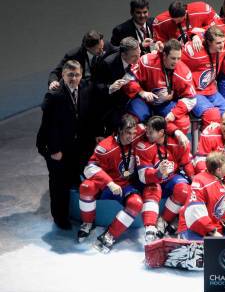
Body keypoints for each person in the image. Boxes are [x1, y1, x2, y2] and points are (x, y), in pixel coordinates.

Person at [36, 60, 101, 229]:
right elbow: (48, 127)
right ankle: (60, 218)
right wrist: (54, 150)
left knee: (78, 178)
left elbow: (91, 115)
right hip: (56, 147)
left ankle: (83, 216)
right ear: (63, 76)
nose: (74, 78)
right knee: (59, 184)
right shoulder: (54, 95)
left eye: (77, 74)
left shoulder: (86, 88)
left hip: (77, 145)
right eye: (70, 75)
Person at [77, 115, 150, 252]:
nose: (132, 136)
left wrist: (178, 132)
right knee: (86, 187)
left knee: (136, 203)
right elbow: (89, 169)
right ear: (119, 131)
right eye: (128, 133)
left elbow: (160, 124)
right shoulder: (104, 147)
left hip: (124, 185)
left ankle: (110, 235)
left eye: (134, 133)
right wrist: (109, 183)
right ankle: (87, 223)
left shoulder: (138, 133)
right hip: (106, 184)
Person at [135, 116, 194, 243]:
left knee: (184, 189)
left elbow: (186, 163)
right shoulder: (143, 144)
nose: (147, 134)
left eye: (151, 132)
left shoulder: (178, 142)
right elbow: (143, 176)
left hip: (171, 178)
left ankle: (163, 220)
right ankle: (150, 227)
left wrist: (193, 179)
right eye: (147, 131)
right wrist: (158, 173)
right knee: (152, 188)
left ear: (161, 132)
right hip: (151, 181)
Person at [124, 39, 197, 134]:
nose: (176, 62)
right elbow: (128, 79)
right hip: (144, 101)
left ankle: (167, 146)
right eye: (173, 58)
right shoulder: (147, 61)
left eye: (178, 58)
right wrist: (142, 92)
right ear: (164, 55)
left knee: (182, 123)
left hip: (165, 104)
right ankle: (140, 146)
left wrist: (174, 114)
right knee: (132, 120)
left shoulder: (183, 72)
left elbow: (191, 99)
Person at [180, 25, 225, 126]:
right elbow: (174, 59)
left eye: (223, 41)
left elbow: (205, 28)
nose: (222, 45)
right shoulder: (194, 50)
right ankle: (208, 140)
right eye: (218, 43)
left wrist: (196, 35)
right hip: (195, 93)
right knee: (212, 115)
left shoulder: (222, 50)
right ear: (208, 42)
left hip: (212, 91)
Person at [92, 37, 140, 136]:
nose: (138, 58)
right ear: (123, 54)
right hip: (113, 105)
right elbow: (97, 86)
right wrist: (110, 87)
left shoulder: (136, 57)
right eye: (134, 56)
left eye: (138, 54)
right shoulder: (107, 64)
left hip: (131, 99)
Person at [152, 0, 217, 49]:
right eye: (174, 21)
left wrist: (198, 34)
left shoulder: (202, 10)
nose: (176, 23)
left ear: (185, 14)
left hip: (200, 51)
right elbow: (159, 43)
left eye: (180, 21)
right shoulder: (161, 22)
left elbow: (218, 26)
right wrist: (160, 45)